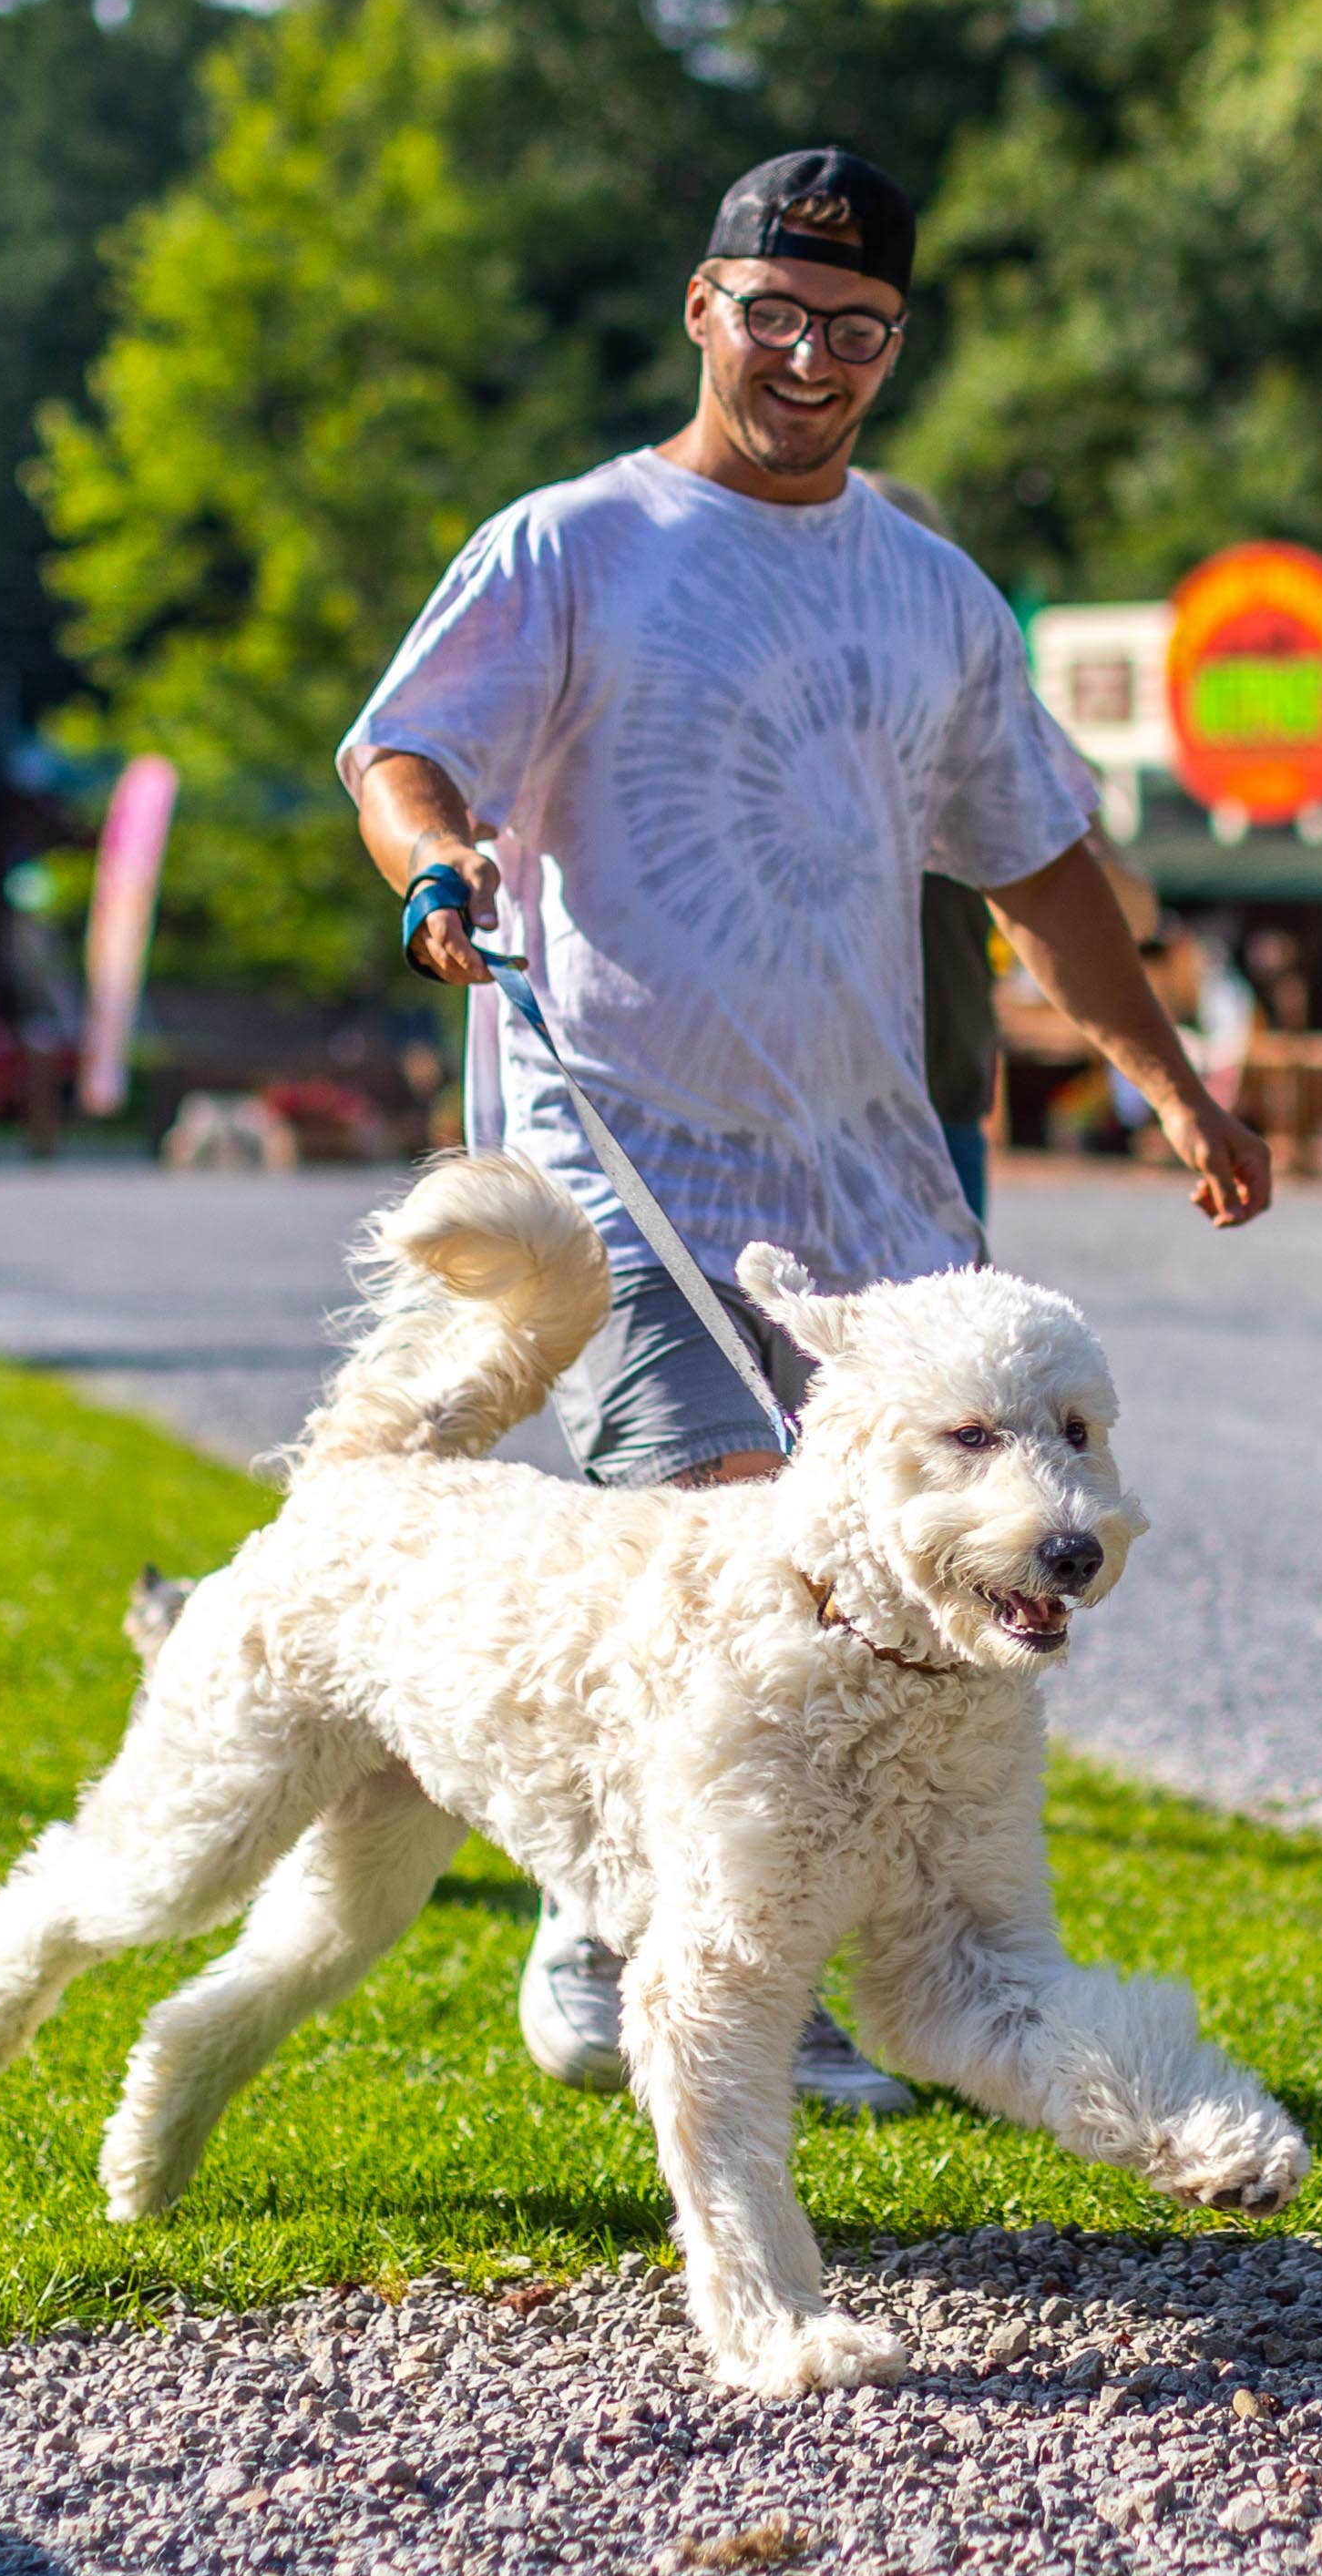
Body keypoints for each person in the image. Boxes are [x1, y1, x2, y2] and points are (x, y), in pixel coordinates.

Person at [342, 144, 1275, 2114]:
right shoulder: (572, 547)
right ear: (706, 309)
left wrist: (1169, 1078)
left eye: (856, 332)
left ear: (896, 347)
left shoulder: (932, 596)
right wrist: (433, 860)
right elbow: (403, 746)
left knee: (884, 1602)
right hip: (627, 1149)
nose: (811, 360)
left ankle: (828, 1966)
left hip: (866, 1186)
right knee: (725, 1556)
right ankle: (644, 1972)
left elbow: (1043, 864)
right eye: (777, 316)